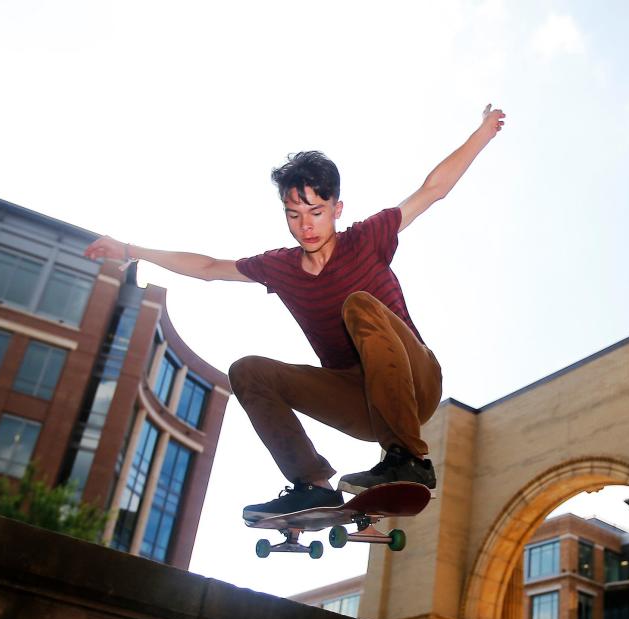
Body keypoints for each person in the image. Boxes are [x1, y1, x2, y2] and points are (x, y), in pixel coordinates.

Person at [85, 104, 506, 518]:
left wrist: (483, 132)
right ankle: (312, 486)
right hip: (361, 406)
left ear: (337, 210)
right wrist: (130, 250)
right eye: (295, 214)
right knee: (248, 371)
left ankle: (410, 459)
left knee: (357, 305)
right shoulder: (281, 267)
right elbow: (210, 268)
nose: (306, 226)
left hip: (417, 384)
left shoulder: (368, 238)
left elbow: (433, 189)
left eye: (317, 213)